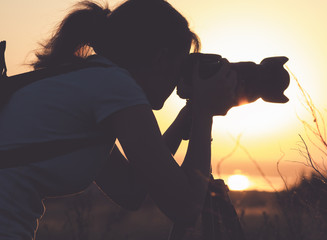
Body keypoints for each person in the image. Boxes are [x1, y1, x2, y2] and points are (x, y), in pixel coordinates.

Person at [0, 0, 239, 239]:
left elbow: (130, 189)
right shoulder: (116, 87)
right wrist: (205, 111)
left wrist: (192, 113)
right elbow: (185, 208)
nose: (178, 81)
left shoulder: (87, 81)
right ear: (161, 59)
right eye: (180, 67)